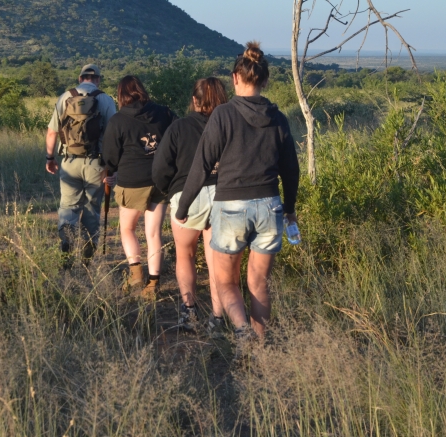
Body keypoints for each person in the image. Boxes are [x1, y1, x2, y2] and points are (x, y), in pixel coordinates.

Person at [175, 42, 300, 340]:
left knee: (226, 282)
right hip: (270, 206)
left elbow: (201, 166)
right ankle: (258, 351)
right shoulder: (278, 118)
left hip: (231, 207)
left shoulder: (223, 115)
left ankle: (242, 330)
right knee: (259, 285)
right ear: (265, 81)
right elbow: (291, 170)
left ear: (235, 78)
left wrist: (183, 208)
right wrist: (290, 209)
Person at [152, 78, 227, 333]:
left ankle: (188, 313)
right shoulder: (229, 125)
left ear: (195, 101)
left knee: (185, 255)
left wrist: (168, 190)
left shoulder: (178, 127)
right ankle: (218, 318)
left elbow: (160, 168)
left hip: (187, 196)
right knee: (215, 259)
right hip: (223, 195)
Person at [103, 76, 177, 299]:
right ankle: (153, 284)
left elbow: (110, 157)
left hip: (131, 182)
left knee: (127, 229)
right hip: (160, 180)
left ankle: (136, 274)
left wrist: (110, 171)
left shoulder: (118, 120)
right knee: (153, 233)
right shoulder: (164, 113)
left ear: (121, 95)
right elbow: (177, 140)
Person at [45, 64, 117, 265]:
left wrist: (49, 158)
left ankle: (67, 245)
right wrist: (112, 165)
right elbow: (113, 135)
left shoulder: (64, 97)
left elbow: (52, 132)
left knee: (68, 206)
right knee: (92, 207)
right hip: (97, 163)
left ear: (80, 78)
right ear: (98, 80)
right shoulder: (105, 99)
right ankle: (88, 252)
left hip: (69, 162)